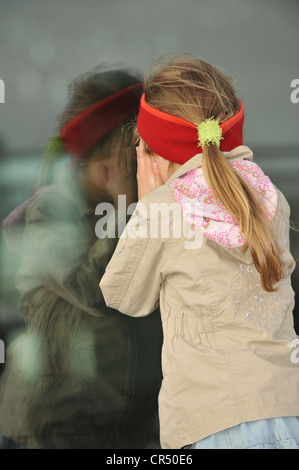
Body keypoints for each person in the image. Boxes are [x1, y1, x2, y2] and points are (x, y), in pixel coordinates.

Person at [100, 54, 299, 449]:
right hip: (286, 408)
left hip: (216, 422)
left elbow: (123, 295)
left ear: (152, 151)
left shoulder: (164, 207)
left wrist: (148, 200)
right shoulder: (268, 195)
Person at [0, 66, 162, 449]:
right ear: (103, 156)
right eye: (136, 149)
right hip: (61, 429)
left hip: (136, 432)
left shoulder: (148, 211)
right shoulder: (50, 212)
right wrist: (125, 204)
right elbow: (98, 290)